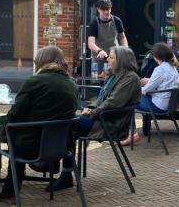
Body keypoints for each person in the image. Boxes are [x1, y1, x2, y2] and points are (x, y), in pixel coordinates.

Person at [48, 46, 141, 192]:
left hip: (110, 123)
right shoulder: (113, 76)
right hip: (102, 117)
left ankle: (55, 165)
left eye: (111, 57)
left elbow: (114, 102)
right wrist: (90, 107)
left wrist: (92, 113)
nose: (108, 60)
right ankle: (63, 172)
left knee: (69, 123)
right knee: (70, 129)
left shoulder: (130, 78)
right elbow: (101, 99)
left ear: (121, 60)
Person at [0, 46, 79, 204]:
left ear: (42, 62)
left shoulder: (33, 82)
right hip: (62, 148)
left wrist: (2, 132)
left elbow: (15, 115)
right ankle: (40, 169)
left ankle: (10, 191)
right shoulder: (73, 85)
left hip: (30, 148)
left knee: (13, 136)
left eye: (36, 61)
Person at [121, 42, 179, 146]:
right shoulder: (173, 68)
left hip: (157, 106)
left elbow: (146, 91)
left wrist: (139, 85)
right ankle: (130, 133)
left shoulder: (160, 69)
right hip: (168, 105)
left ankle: (131, 134)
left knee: (128, 99)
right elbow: (162, 85)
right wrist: (149, 81)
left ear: (156, 56)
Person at [88, 0, 128, 76]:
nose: (106, 12)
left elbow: (122, 37)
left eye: (108, 9)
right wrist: (99, 50)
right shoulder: (94, 24)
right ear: (98, 9)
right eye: (103, 10)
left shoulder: (117, 21)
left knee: (115, 78)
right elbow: (90, 44)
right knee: (99, 81)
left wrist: (125, 50)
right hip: (99, 57)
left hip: (115, 56)